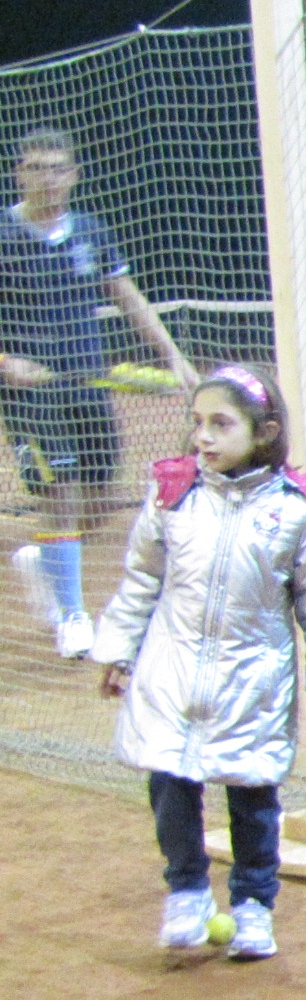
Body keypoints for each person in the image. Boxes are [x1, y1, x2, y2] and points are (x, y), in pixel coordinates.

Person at [90, 364, 306, 960]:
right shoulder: (172, 496)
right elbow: (140, 581)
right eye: (197, 423)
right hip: (171, 673)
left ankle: (254, 905)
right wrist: (117, 651)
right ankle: (186, 891)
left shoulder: (297, 511)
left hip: (253, 682)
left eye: (220, 423)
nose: (203, 437)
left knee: (254, 797)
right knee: (171, 785)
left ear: (263, 432)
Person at [3, 127, 198, 658]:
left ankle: (44, 559)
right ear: (19, 172)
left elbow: (127, 296)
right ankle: (72, 615)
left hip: (87, 382)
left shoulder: (90, 231)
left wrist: (172, 355)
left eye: (57, 168)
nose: (48, 178)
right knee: (60, 493)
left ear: (74, 175)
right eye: (36, 167)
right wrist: (5, 362)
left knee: (100, 500)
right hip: (29, 394)